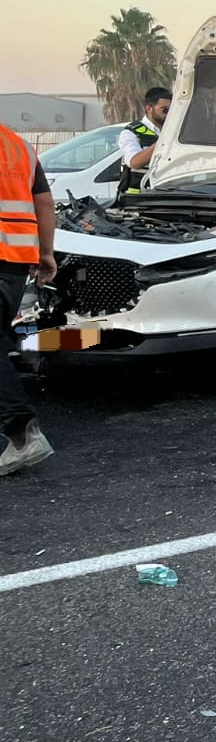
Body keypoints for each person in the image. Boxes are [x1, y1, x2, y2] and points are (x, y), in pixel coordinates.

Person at [0, 121, 56, 476]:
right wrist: (47, 254)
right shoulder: (18, 146)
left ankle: (22, 434)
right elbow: (44, 204)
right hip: (15, 262)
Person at [117, 86, 172, 198]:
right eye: (164, 109)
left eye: (171, 110)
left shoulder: (173, 131)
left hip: (165, 197)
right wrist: (162, 143)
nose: (168, 114)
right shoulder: (131, 132)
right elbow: (134, 162)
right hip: (138, 200)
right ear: (149, 108)